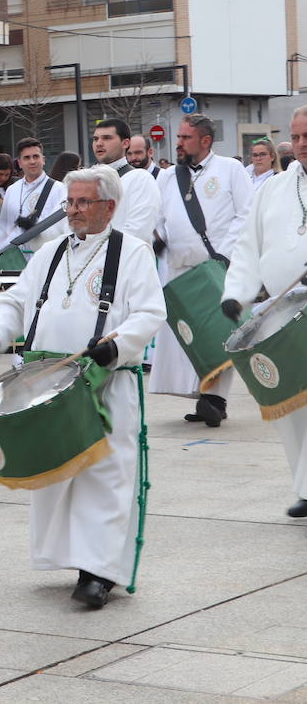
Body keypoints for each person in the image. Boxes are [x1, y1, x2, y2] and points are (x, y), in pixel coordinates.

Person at [0, 165, 165, 609]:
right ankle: (69, 556)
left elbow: (150, 314)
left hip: (106, 381)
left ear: (108, 208)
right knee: (57, 473)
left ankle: (99, 572)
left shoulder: (132, 253)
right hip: (46, 382)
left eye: (82, 203)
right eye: (70, 202)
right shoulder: (52, 251)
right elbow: (16, 300)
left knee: (105, 477)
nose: (73, 211)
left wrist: (115, 348)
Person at [223, 106, 307, 518]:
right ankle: (305, 486)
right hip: (281, 310)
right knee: (290, 404)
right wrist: (236, 293)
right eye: (297, 137)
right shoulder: (274, 188)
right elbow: (247, 245)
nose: (302, 145)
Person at [151, 114, 251, 427]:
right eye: (178, 137)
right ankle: (201, 395)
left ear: (205, 141)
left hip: (215, 268)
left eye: (185, 138)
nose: (178, 143)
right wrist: (158, 239)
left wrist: (225, 253)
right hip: (179, 269)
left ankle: (215, 399)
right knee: (189, 335)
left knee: (219, 333)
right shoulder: (167, 177)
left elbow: (247, 213)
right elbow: (157, 217)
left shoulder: (230, 169)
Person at [0, 138, 66, 259]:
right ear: (19, 163)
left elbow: (62, 227)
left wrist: (35, 226)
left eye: (36, 156)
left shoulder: (59, 189)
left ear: (43, 160)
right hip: (16, 259)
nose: (32, 161)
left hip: (45, 256)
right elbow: (3, 226)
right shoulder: (12, 190)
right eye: (27, 158)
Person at [91, 118, 162, 245]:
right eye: (96, 139)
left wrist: (99, 253)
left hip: (124, 260)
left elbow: (138, 230)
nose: (99, 143)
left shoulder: (140, 179)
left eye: (107, 138)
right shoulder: (85, 179)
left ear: (125, 143)